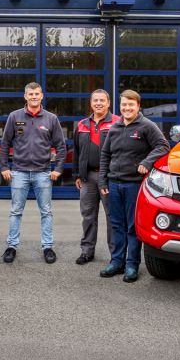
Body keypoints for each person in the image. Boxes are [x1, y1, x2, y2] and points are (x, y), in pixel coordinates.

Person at [99, 90, 167, 283]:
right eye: (124, 105)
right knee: (116, 225)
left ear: (138, 106)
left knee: (132, 227)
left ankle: (131, 265)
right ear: (119, 107)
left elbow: (163, 146)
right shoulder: (114, 128)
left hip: (134, 185)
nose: (127, 108)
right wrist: (103, 181)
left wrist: (147, 162)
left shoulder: (146, 126)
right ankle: (116, 262)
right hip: (114, 184)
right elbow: (105, 156)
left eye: (131, 105)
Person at [0, 82, 66, 264]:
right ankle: (12, 246)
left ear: (42, 96)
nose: (34, 96)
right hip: (19, 172)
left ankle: (48, 247)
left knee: (46, 212)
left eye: (37, 94)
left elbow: (61, 146)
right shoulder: (15, 117)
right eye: (31, 94)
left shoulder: (51, 119)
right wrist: (4, 167)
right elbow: (5, 144)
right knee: (15, 211)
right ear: (25, 96)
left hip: (43, 173)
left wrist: (58, 169)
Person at [73, 89, 120, 265]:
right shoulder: (82, 124)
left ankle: (115, 255)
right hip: (88, 177)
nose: (98, 103)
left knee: (112, 216)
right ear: (91, 103)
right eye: (95, 100)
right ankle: (87, 251)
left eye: (102, 100)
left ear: (108, 103)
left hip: (108, 177)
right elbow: (77, 151)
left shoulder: (117, 122)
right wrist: (77, 173)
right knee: (88, 216)